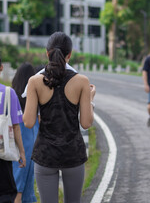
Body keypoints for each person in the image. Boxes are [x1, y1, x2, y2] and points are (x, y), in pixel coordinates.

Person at [23, 32, 96, 203]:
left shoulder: (34, 81)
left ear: (47, 53)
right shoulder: (82, 81)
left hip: (45, 154)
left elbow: (28, 122)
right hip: (73, 154)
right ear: (69, 55)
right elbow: (86, 123)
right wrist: (90, 100)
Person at [0, 57, 26, 203]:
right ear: (1, 68)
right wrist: (21, 152)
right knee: (6, 194)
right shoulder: (9, 94)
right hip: (3, 154)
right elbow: (16, 126)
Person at [12, 63, 38, 203]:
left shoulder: (11, 97)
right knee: (23, 190)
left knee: (18, 188)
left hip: (14, 147)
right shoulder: (33, 100)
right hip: (28, 148)